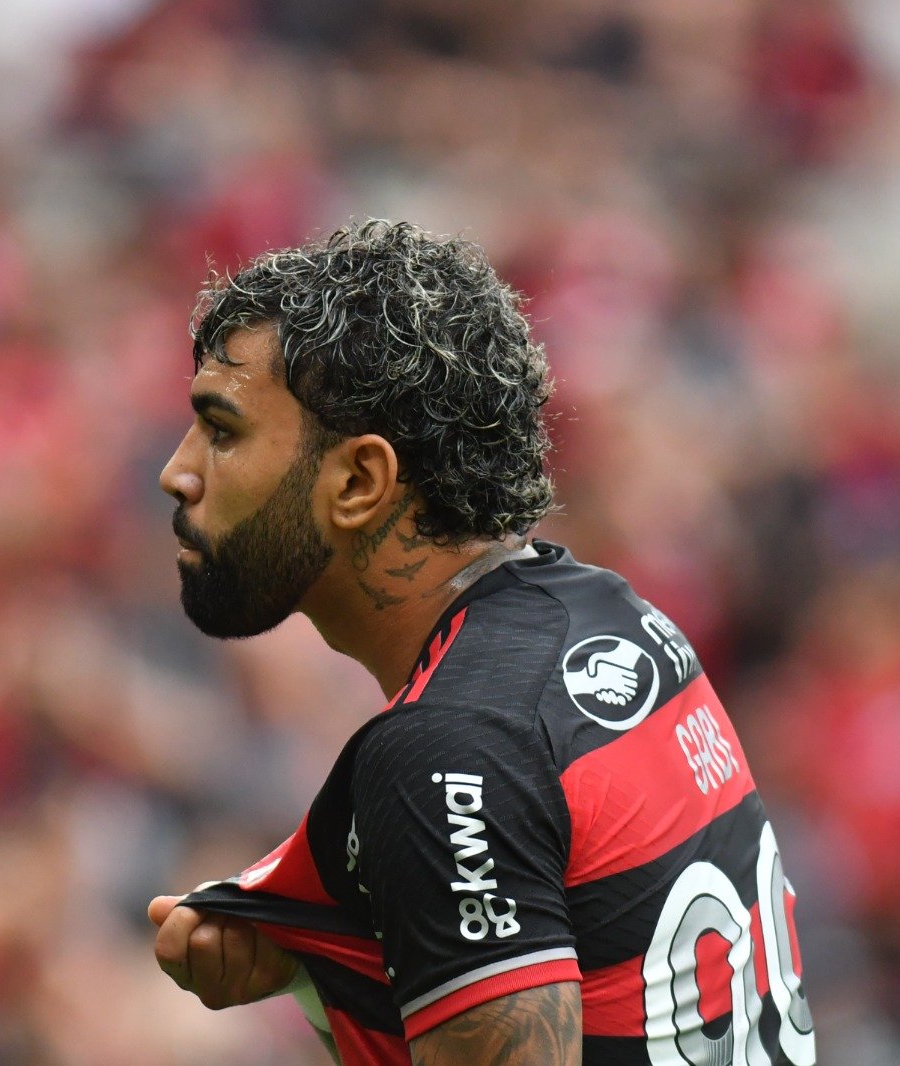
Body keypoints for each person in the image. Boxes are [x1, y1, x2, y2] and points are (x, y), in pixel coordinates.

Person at [149, 220, 815, 1066]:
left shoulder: (446, 750)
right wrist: (325, 956)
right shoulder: (613, 617)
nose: (177, 471)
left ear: (358, 481)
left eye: (223, 431)